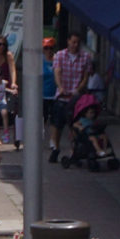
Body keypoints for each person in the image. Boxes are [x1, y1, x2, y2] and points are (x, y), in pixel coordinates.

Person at [48, 32, 92, 161]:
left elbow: (85, 76)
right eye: (73, 42)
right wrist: (60, 87)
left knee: (75, 125)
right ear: (68, 41)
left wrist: (78, 89)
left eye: (77, 42)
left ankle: (75, 150)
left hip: (76, 98)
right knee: (57, 123)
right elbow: (57, 72)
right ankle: (55, 148)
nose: (75, 45)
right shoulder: (60, 55)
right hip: (62, 96)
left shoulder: (85, 57)